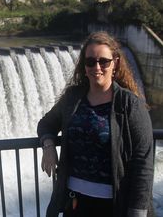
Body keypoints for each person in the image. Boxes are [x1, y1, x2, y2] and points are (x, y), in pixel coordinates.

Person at [37, 31, 154, 217]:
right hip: (74, 201)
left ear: (115, 63)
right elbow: (46, 123)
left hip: (114, 205)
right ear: (84, 65)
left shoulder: (129, 104)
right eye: (90, 61)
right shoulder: (73, 98)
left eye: (103, 61)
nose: (96, 67)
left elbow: (143, 163)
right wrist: (48, 145)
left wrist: (137, 212)